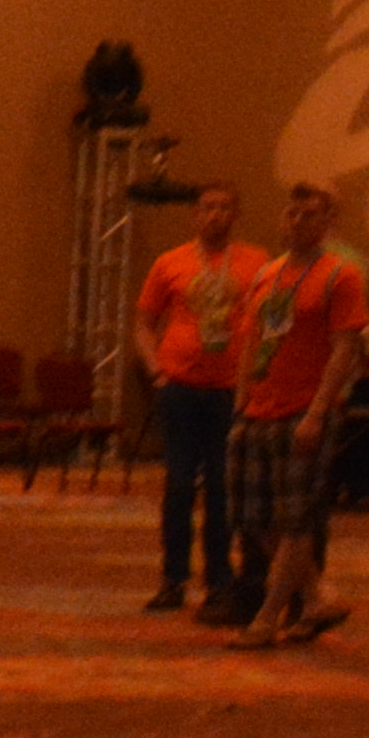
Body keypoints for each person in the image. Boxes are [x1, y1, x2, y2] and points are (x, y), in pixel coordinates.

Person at [228, 181, 369, 645]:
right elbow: (251, 341)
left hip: (304, 411)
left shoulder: (340, 276)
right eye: (292, 213)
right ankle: (316, 596)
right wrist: (241, 402)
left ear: (329, 221)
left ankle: (267, 618)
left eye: (310, 214)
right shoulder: (267, 275)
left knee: (294, 520)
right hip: (259, 409)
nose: (297, 222)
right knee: (254, 517)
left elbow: (344, 350)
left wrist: (317, 413)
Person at [131, 179, 264, 616]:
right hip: (180, 388)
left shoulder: (256, 263)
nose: (215, 215)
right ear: (195, 215)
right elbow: (143, 323)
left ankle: (220, 580)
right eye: (207, 207)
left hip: (231, 391)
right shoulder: (170, 262)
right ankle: (173, 579)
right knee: (179, 485)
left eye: (224, 207)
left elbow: (267, 321)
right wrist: (156, 371)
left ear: (236, 215)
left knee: (224, 488)